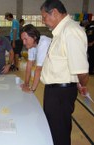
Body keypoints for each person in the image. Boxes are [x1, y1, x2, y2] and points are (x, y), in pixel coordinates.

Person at [40, 1, 89, 145]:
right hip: (55, 91)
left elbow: (81, 69)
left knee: (59, 134)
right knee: (54, 131)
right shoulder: (61, 31)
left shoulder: (71, 31)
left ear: (54, 12)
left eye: (44, 17)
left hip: (61, 94)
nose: (43, 21)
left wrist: (82, 84)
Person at [20, 24, 51, 92]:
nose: (24, 43)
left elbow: (38, 69)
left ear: (34, 37)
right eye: (22, 40)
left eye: (25, 39)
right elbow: (29, 65)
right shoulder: (32, 45)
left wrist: (32, 90)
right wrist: (26, 84)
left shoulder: (44, 43)